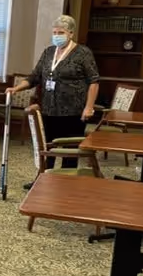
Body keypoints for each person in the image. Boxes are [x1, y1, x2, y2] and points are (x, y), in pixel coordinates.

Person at [6, 14, 99, 182]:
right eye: (55, 32)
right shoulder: (49, 52)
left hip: (73, 111)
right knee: (47, 147)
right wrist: (16, 88)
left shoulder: (83, 53)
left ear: (71, 33)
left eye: (61, 32)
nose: (57, 35)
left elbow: (94, 81)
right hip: (49, 109)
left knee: (69, 150)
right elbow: (34, 77)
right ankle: (43, 180)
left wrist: (89, 107)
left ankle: (66, 182)